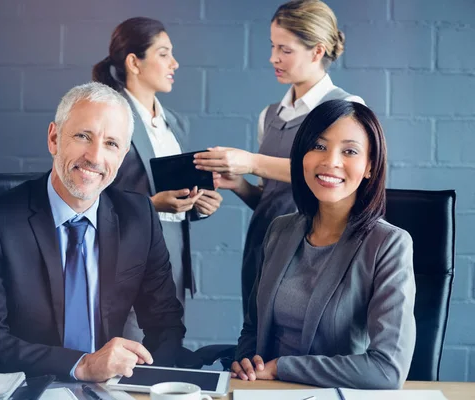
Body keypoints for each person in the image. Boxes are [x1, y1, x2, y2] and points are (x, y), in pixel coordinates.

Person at [0, 82, 186, 382]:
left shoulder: (139, 217)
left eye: (111, 144)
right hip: (28, 385)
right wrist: (82, 365)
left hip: (110, 389)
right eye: (83, 136)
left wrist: (146, 381)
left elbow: (166, 323)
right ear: (54, 138)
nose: (94, 157)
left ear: (123, 155)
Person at [193, 0, 364, 315]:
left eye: (285, 50)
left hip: (313, 253)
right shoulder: (269, 116)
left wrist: (253, 161)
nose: (274, 58)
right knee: (255, 348)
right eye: (273, 47)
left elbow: (334, 175)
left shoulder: (346, 108)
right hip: (263, 247)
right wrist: (240, 184)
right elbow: (272, 200)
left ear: (316, 51)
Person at [231, 100, 416, 389]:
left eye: (350, 151)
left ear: (369, 166)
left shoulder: (389, 244)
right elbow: (253, 328)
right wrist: (246, 361)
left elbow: (387, 370)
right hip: (263, 392)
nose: (330, 161)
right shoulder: (280, 229)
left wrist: (283, 368)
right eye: (318, 146)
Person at [92, 17, 223, 341]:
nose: (174, 63)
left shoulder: (173, 124)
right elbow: (89, 195)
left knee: (165, 352)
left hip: (171, 257)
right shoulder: (110, 115)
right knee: (127, 359)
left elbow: (170, 194)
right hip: (124, 259)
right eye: (164, 53)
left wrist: (197, 204)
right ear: (134, 62)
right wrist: (150, 205)